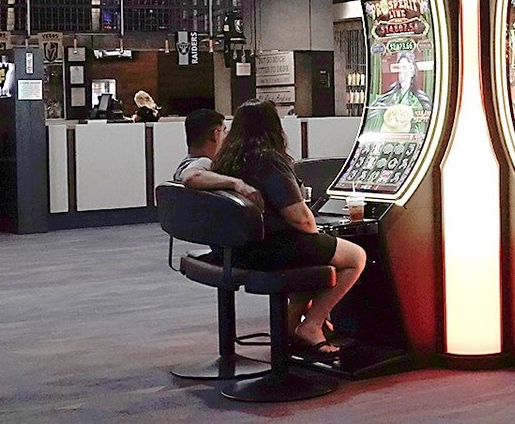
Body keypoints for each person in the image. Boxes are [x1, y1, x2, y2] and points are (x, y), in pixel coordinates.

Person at [211, 99, 366, 357]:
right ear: (274, 127)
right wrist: (318, 237)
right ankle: (312, 325)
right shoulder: (268, 159)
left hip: (236, 249)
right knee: (355, 257)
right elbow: (301, 219)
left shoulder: (225, 160)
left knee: (312, 260)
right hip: (270, 249)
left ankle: (289, 334)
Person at [173, 109, 263, 205]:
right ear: (215, 135)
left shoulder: (181, 168)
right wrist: (237, 183)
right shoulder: (203, 162)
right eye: (224, 131)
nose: (227, 136)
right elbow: (191, 176)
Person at [365, 52, 432, 133]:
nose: (402, 75)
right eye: (399, 70)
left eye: (405, 69)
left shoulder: (420, 100)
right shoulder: (391, 94)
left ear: (412, 72)